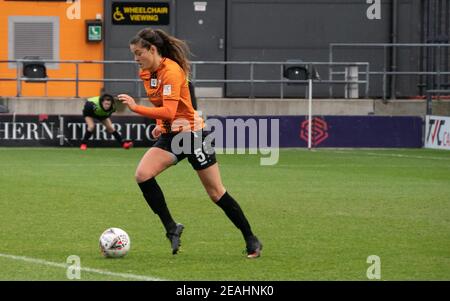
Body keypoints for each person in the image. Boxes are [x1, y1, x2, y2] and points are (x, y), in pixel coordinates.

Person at [118, 28, 262, 258]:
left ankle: (251, 238)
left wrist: (135, 108)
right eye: (133, 54)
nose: (135, 59)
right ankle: (171, 228)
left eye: (138, 53)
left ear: (152, 50)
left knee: (216, 193)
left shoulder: (172, 72)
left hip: (193, 135)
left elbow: (169, 109)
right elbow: (161, 107)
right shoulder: (146, 73)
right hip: (172, 135)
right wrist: (159, 123)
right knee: (143, 175)